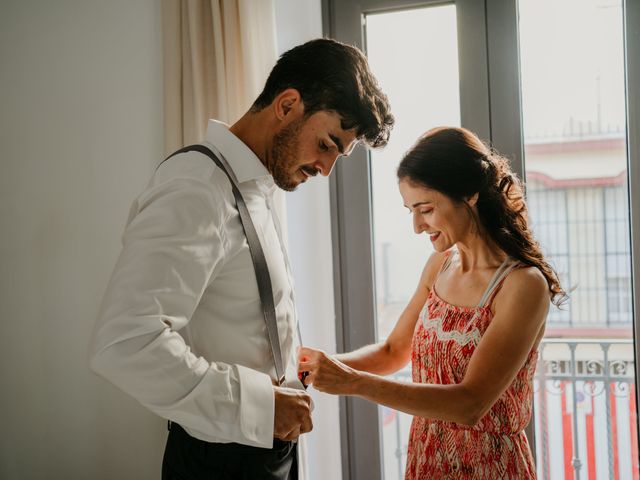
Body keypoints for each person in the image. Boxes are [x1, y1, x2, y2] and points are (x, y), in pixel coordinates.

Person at [89, 38, 393, 480]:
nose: (326, 169)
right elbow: (123, 343)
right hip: (221, 463)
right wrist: (259, 405)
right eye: (327, 144)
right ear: (287, 105)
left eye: (338, 155)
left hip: (264, 454)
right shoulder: (197, 189)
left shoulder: (253, 186)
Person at [298, 127, 567, 479]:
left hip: (489, 469)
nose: (416, 226)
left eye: (425, 209)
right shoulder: (440, 265)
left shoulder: (523, 285)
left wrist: (354, 383)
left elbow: (470, 403)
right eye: (410, 210)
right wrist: (317, 366)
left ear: (469, 194)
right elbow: (394, 350)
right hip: (426, 460)